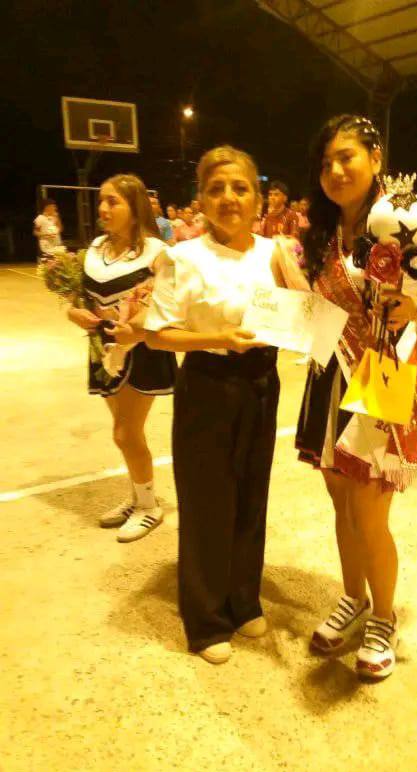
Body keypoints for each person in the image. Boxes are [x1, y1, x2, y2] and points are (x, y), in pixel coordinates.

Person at [295, 114, 417, 680]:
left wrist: (414, 306)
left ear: (376, 157)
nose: (336, 170)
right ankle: (353, 597)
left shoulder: (407, 218)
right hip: (329, 374)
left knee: (369, 509)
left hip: (382, 373)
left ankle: (383, 619)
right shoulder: (319, 231)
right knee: (341, 503)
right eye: (326, 163)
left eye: (346, 157)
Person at [144, 146, 308, 665]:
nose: (229, 198)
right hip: (208, 384)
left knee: (250, 496)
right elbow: (157, 334)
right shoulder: (183, 257)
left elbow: (302, 315)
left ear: (258, 198)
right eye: (216, 189)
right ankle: (206, 618)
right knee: (206, 501)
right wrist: (215, 338)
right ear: (201, 198)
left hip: (261, 382)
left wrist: (303, 301)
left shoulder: (273, 252)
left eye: (240, 188)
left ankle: (243, 600)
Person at [66, 174, 177, 542]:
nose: (103, 208)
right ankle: (137, 498)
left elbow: (167, 305)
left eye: (113, 201)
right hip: (102, 349)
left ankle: (149, 507)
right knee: (125, 432)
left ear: (135, 207)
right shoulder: (96, 247)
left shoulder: (157, 252)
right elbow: (79, 299)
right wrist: (75, 312)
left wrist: (137, 329)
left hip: (140, 352)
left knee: (125, 432)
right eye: (101, 200)